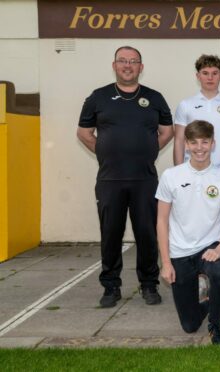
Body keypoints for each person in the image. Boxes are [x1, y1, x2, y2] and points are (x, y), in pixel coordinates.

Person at [77, 46, 173, 308]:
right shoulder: (98, 97)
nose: (128, 65)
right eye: (123, 61)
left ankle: (149, 285)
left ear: (141, 67)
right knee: (110, 235)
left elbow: (167, 131)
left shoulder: (154, 98)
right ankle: (110, 287)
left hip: (144, 180)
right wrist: (107, 152)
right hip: (110, 180)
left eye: (133, 62)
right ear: (114, 65)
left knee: (147, 234)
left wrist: (148, 150)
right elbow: (84, 133)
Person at [156, 120, 220, 344]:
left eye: (205, 142)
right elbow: (162, 220)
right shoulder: (171, 176)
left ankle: (215, 323)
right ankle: (215, 300)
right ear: (186, 145)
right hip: (179, 251)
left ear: (213, 144)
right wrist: (166, 262)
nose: (199, 147)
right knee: (190, 326)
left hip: (209, 246)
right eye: (194, 142)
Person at [173, 55, 220, 231]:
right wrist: (179, 171)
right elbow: (179, 140)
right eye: (205, 73)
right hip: (194, 173)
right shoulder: (186, 105)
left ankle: (219, 256)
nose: (210, 77)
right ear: (198, 76)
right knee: (196, 220)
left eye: (214, 73)